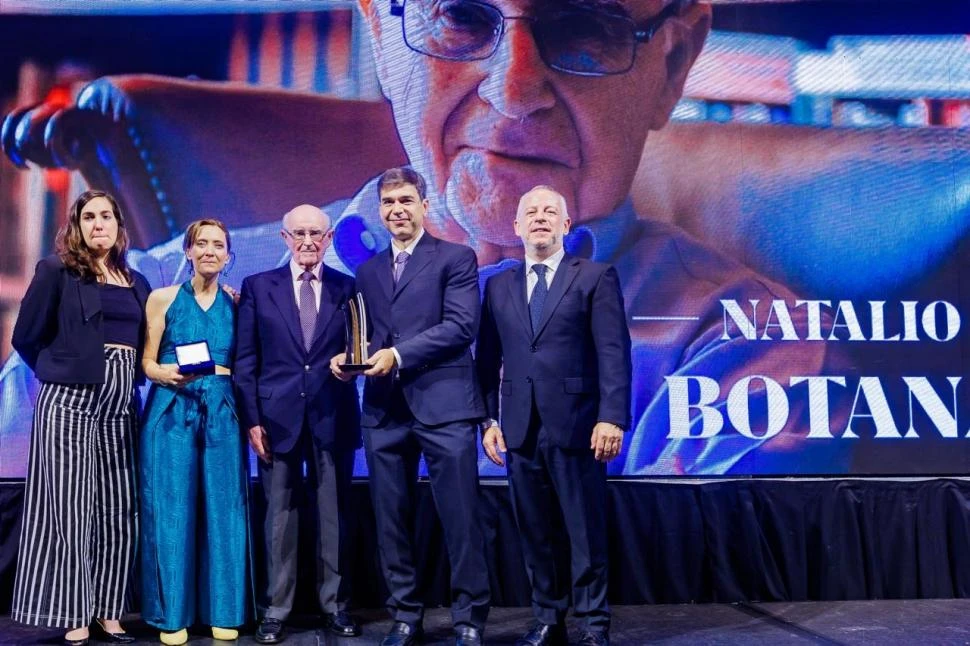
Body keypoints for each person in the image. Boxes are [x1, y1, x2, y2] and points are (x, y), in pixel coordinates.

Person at [325, 0, 849, 475]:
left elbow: (671, 577)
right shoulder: (252, 276)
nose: (514, 92)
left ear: (673, 66)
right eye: (460, 15)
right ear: (379, 34)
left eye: (584, 25)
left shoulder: (751, 349)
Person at [331, 167, 489, 646]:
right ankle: (405, 615)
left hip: (445, 407)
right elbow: (370, 337)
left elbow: (461, 328)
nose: (397, 210)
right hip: (384, 411)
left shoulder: (457, 258)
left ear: (424, 205)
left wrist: (397, 355)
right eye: (388, 203)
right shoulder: (368, 271)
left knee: (460, 518)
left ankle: (469, 619)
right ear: (379, 211)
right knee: (391, 519)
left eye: (405, 200)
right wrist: (348, 357)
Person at [478, 186, 632, 646]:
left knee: (584, 530)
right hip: (519, 429)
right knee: (536, 531)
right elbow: (485, 362)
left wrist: (612, 417)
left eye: (550, 211)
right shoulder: (499, 285)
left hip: (579, 425)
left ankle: (593, 623)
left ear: (566, 226)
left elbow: (613, 353)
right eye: (531, 211)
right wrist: (487, 421)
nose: (540, 217)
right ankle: (547, 618)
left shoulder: (595, 277)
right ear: (517, 226)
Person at [10, 190, 150, 645]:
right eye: (88, 217)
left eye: (106, 216)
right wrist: (59, 372)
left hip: (119, 406)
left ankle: (109, 611)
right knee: (70, 511)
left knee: (117, 509)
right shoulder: (56, 272)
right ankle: (74, 613)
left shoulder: (136, 281)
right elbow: (26, 336)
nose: (98, 224)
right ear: (77, 225)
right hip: (69, 402)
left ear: (118, 225)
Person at [235, 205, 362, 644]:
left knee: (334, 516)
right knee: (278, 518)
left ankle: (336, 605)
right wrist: (251, 419)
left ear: (328, 240)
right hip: (275, 419)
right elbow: (245, 361)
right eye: (299, 233)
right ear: (284, 238)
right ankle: (275, 609)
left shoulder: (349, 288)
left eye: (316, 234)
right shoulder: (257, 287)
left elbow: (361, 347)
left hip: (333, 415)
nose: (308, 241)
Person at [138, 219, 248, 644]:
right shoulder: (162, 298)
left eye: (218, 245)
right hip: (171, 408)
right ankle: (173, 615)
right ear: (187, 250)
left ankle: (225, 610)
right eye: (200, 243)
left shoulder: (237, 303)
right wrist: (161, 373)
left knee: (225, 509)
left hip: (221, 407)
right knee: (171, 509)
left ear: (227, 254)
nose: (209, 251)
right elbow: (146, 361)